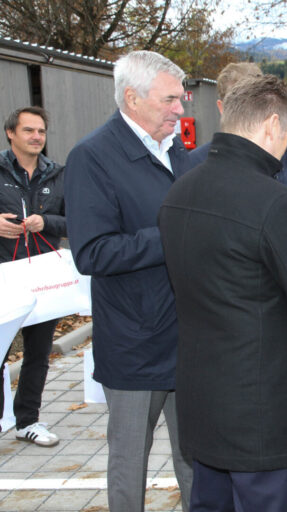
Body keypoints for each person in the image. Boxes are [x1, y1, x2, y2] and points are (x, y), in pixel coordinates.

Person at [158, 74, 287, 512]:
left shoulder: (180, 191)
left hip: (201, 404)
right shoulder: (274, 203)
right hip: (259, 415)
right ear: (271, 125)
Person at [64, 51, 194, 511]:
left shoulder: (177, 152)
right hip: (135, 344)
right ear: (133, 99)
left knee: (197, 460)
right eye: (170, 99)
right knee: (129, 463)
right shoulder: (92, 157)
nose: (181, 108)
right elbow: (92, 251)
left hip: (190, 338)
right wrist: (171, 236)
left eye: (181, 98)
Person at [0, 106, 65, 446]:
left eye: (41, 131)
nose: (36, 137)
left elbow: (78, 220)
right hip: (4, 277)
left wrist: (46, 222)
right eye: (28, 130)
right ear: (11, 133)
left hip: (43, 278)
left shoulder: (58, 174)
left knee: (38, 354)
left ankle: (27, 421)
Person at [188, 62, 287, 218]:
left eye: (255, 102)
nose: (247, 111)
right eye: (237, 102)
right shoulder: (195, 163)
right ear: (221, 107)